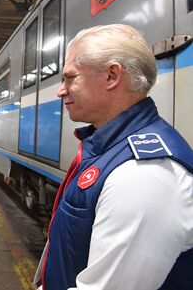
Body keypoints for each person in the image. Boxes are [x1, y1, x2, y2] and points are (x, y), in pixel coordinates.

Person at [34, 24, 193, 290]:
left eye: (70, 78)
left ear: (111, 76)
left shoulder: (145, 174)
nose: (61, 91)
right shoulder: (108, 148)